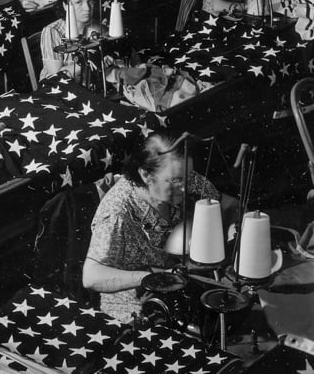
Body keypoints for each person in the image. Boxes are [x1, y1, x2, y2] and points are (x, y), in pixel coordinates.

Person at [82, 132, 237, 323]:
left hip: (185, 283)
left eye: (187, 177)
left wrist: (231, 229)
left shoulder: (186, 181)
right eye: (175, 181)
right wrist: (155, 278)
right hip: (134, 303)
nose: (185, 187)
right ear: (146, 174)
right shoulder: (117, 213)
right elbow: (91, 276)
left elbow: (225, 204)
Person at [40, 0, 94, 81]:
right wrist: (89, 62)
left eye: (90, 1)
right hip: (57, 90)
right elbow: (56, 77)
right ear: (65, 6)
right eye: (79, 2)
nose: (87, 8)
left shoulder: (95, 27)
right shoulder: (53, 31)